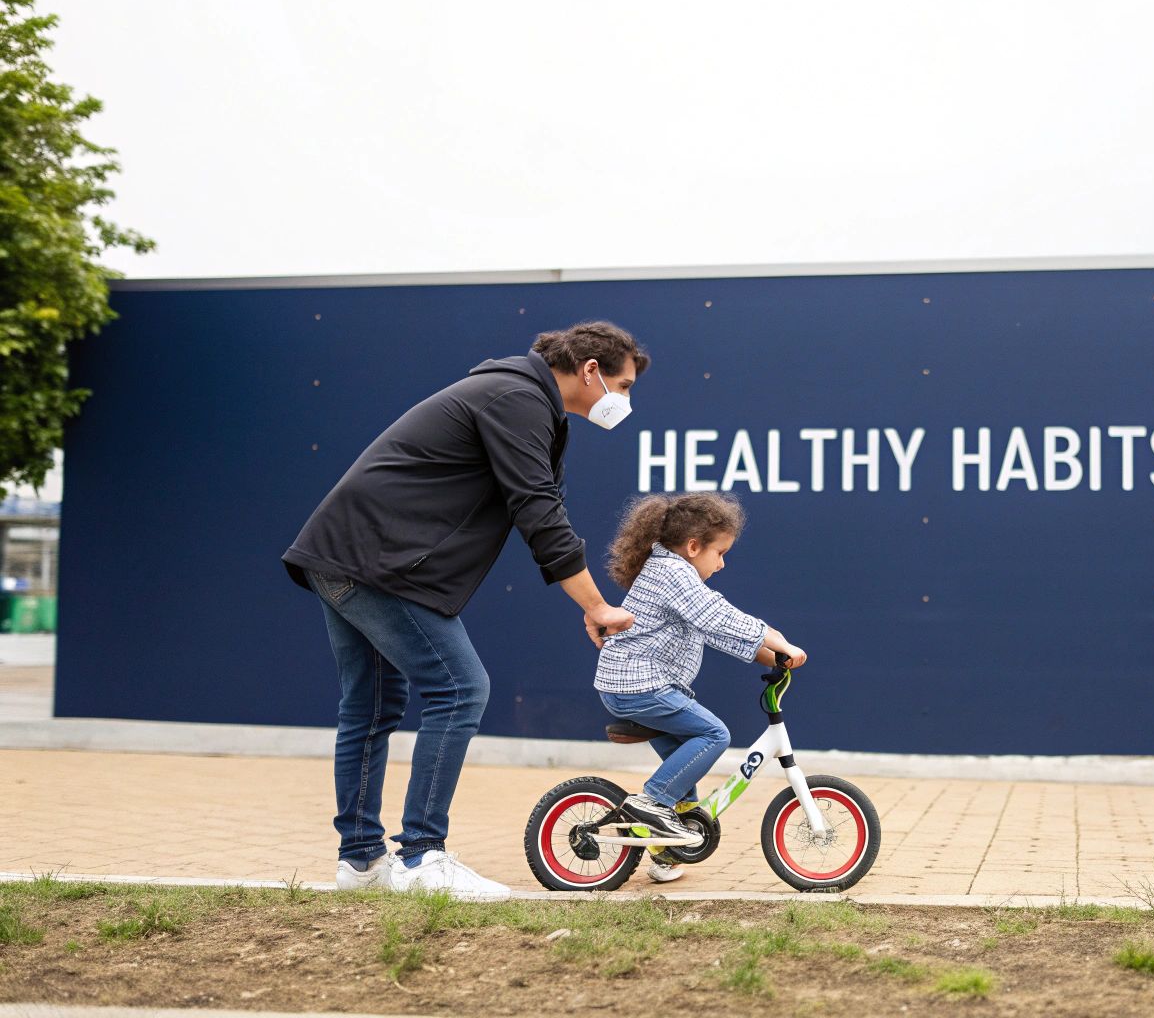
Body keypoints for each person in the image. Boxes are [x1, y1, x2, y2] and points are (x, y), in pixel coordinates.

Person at [282, 320, 647, 900]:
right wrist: (597, 604)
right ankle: (422, 857)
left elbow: (541, 504)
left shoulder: (519, 398)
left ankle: (360, 864)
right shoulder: (519, 399)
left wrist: (588, 604)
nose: (624, 401)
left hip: (344, 555)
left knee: (373, 704)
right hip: (373, 562)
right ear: (590, 372)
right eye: (624, 387)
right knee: (460, 689)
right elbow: (538, 513)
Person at [594, 492, 807, 884]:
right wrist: (777, 637)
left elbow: (717, 633)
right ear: (693, 547)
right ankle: (651, 802)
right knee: (713, 733)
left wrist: (772, 656)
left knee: (684, 761)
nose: (723, 563)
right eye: (720, 553)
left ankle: (667, 849)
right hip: (639, 684)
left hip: (639, 684)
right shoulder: (672, 573)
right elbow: (717, 615)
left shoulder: (675, 574)